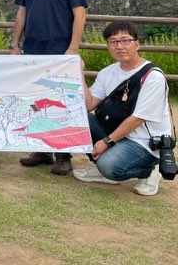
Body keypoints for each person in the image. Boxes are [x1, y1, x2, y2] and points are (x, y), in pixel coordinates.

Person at [12, 0, 88, 175]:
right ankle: (41, 151)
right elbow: (21, 13)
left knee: (61, 105)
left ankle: (63, 156)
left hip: (60, 53)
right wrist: (15, 44)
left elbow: (79, 14)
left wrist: (72, 49)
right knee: (35, 102)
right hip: (32, 52)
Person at [72, 22, 171, 196]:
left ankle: (150, 169)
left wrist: (106, 142)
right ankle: (99, 167)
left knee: (109, 166)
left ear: (137, 44)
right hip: (116, 131)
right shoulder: (107, 72)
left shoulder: (153, 77)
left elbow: (137, 118)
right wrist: (79, 72)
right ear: (108, 46)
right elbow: (88, 105)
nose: (119, 46)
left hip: (143, 140)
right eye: (113, 42)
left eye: (125, 40)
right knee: (77, 118)